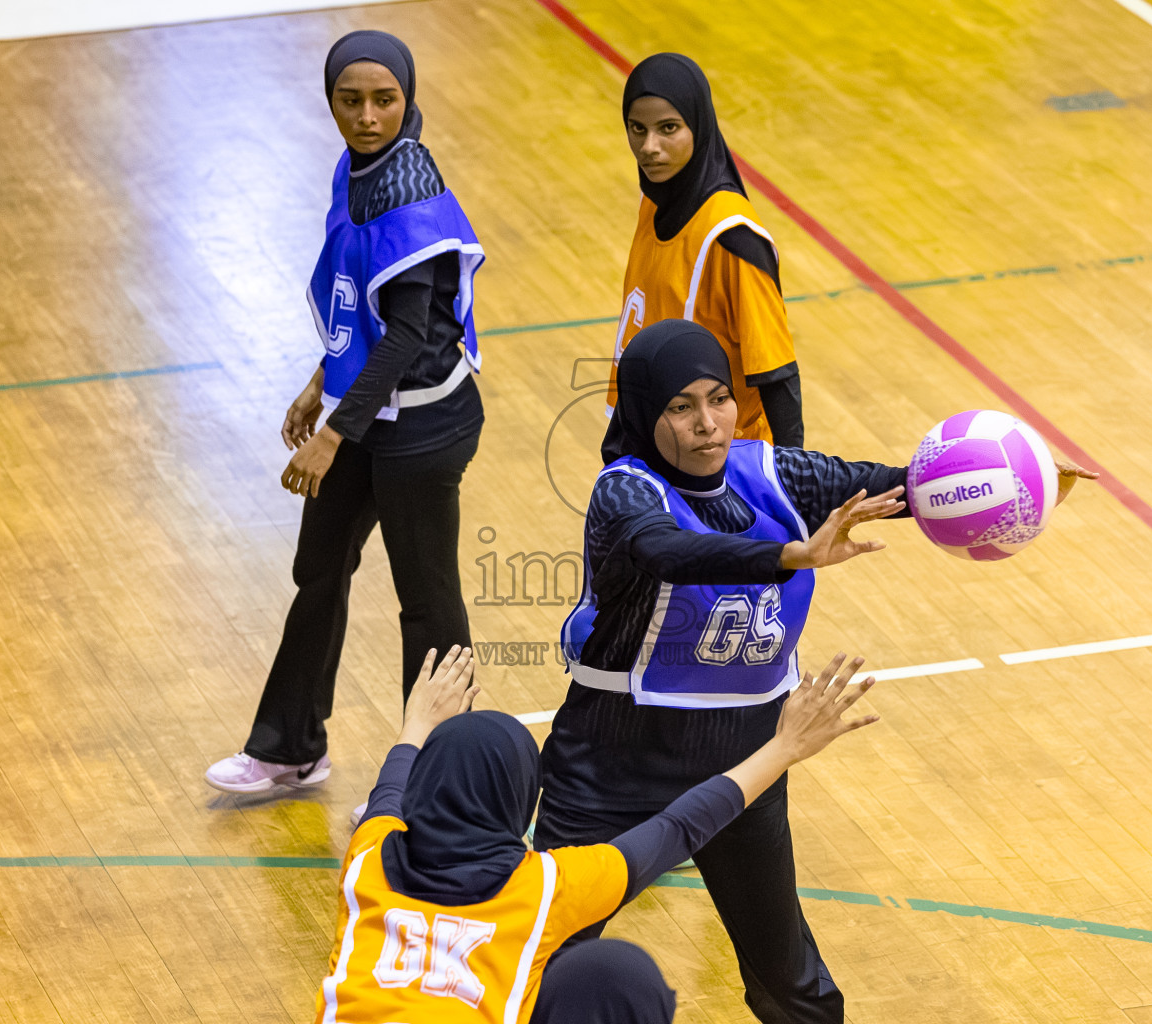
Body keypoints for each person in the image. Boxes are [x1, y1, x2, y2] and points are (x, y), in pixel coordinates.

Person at [540, 320, 1096, 1023]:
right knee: (543, 962)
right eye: (681, 407)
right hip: (610, 767)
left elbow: (902, 487)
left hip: (747, 766)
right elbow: (669, 552)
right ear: (645, 412)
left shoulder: (777, 472)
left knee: (795, 988)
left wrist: (1023, 481)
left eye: (719, 398)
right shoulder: (624, 495)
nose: (709, 425)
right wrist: (789, 557)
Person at [315, 644, 882, 1024]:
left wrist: (418, 724)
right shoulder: (546, 887)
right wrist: (784, 748)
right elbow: (681, 826)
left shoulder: (368, 856)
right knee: (618, 977)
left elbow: (391, 790)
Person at [206, 30, 486, 794]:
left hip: (424, 425)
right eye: (350, 100)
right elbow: (357, 312)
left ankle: (445, 782)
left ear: (408, 97)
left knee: (427, 602)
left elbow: (404, 337)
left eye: (384, 100)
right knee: (318, 570)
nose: (367, 117)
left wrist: (331, 432)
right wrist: (317, 380)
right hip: (366, 412)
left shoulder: (411, 195)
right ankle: (290, 747)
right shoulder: (355, 170)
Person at [606, 53, 804, 448]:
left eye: (668, 129)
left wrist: (791, 487)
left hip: (723, 464)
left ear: (699, 125)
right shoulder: (656, 202)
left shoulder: (733, 240)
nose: (649, 147)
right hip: (655, 445)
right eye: (636, 129)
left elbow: (777, 374)